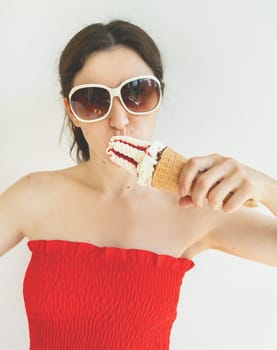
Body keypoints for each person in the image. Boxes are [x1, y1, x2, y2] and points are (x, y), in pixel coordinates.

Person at [0, 19, 277, 350]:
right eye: (93, 100)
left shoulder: (195, 206)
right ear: (72, 113)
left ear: (158, 96)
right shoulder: (33, 196)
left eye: (137, 93)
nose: (119, 121)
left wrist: (265, 188)